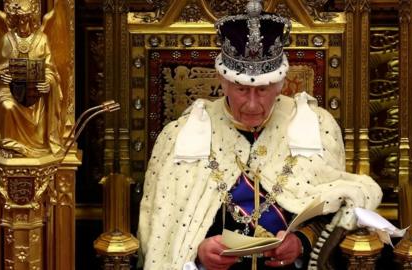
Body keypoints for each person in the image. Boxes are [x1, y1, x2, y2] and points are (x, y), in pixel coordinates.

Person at [138, 1, 382, 269]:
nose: (252, 104)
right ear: (223, 82)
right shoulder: (179, 135)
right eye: (242, 89)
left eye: (263, 90)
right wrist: (198, 253)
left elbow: (335, 208)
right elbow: (163, 228)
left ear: (280, 84)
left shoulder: (316, 126)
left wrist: (300, 242)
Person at [0, 0, 63, 158]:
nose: (23, 24)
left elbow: (50, 69)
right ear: (14, 20)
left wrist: (48, 82)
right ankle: (8, 145)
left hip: (35, 92)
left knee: (39, 103)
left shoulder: (42, 39)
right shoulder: (7, 39)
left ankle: (39, 144)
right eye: (20, 19)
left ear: (32, 20)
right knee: (7, 105)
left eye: (27, 19)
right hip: (9, 90)